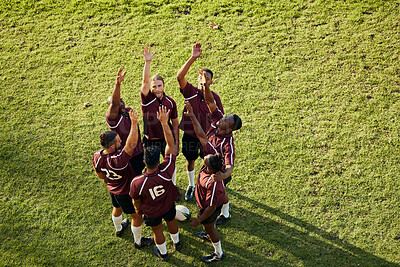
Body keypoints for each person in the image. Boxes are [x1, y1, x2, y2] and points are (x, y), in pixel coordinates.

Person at [92, 108, 154, 249]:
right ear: (112, 145)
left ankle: (119, 229)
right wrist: (134, 124)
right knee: (136, 216)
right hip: (125, 192)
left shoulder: (97, 156)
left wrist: (111, 183)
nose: (121, 143)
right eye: (119, 141)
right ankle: (138, 242)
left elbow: (101, 175)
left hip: (112, 189)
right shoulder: (118, 160)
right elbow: (131, 146)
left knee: (116, 207)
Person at [190, 68, 242, 225]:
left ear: (230, 129)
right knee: (224, 192)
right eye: (226, 117)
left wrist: (222, 176)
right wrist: (206, 86)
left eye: (227, 121)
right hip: (209, 163)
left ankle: (221, 215)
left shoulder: (228, 144)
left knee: (215, 198)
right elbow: (210, 101)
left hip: (217, 173)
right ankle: (226, 212)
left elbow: (229, 166)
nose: (223, 118)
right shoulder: (218, 119)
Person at [130, 106, 181, 262]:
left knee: (157, 231)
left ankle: (163, 253)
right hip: (167, 205)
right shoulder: (166, 169)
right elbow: (171, 146)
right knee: (171, 221)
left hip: (152, 211)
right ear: (159, 160)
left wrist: (138, 209)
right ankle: (176, 242)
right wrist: (165, 124)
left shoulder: (137, 182)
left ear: (144, 161)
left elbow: (136, 200)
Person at [176, 42, 224, 201]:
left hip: (207, 139)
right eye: (201, 76)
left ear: (211, 82)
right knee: (190, 161)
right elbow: (179, 77)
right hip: (190, 135)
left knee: (210, 164)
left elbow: (220, 119)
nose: (203, 80)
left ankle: (208, 186)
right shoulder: (190, 92)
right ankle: (191, 185)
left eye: (207, 78)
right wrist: (192, 58)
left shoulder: (214, 99)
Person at [185, 102, 227, 262]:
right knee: (208, 227)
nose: (203, 161)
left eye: (205, 163)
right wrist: (192, 116)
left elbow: (210, 208)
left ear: (211, 169)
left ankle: (218, 253)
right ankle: (208, 231)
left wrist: (199, 220)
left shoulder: (214, 183)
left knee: (210, 227)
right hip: (202, 203)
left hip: (207, 210)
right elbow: (201, 135)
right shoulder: (212, 160)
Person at [140, 46, 179, 185]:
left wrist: (176, 142)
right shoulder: (147, 99)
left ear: (164, 86)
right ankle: (153, 185)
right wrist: (147, 62)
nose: (157, 89)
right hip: (149, 140)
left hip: (165, 139)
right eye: (154, 86)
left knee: (170, 163)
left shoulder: (170, 102)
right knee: (149, 165)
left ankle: (172, 185)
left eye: (159, 85)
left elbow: (175, 123)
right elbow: (144, 82)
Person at [106, 67, 145, 177]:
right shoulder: (113, 120)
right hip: (129, 156)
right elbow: (114, 103)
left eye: (121, 100)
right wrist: (117, 84)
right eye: (118, 103)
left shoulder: (128, 110)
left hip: (140, 151)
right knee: (135, 179)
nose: (121, 104)